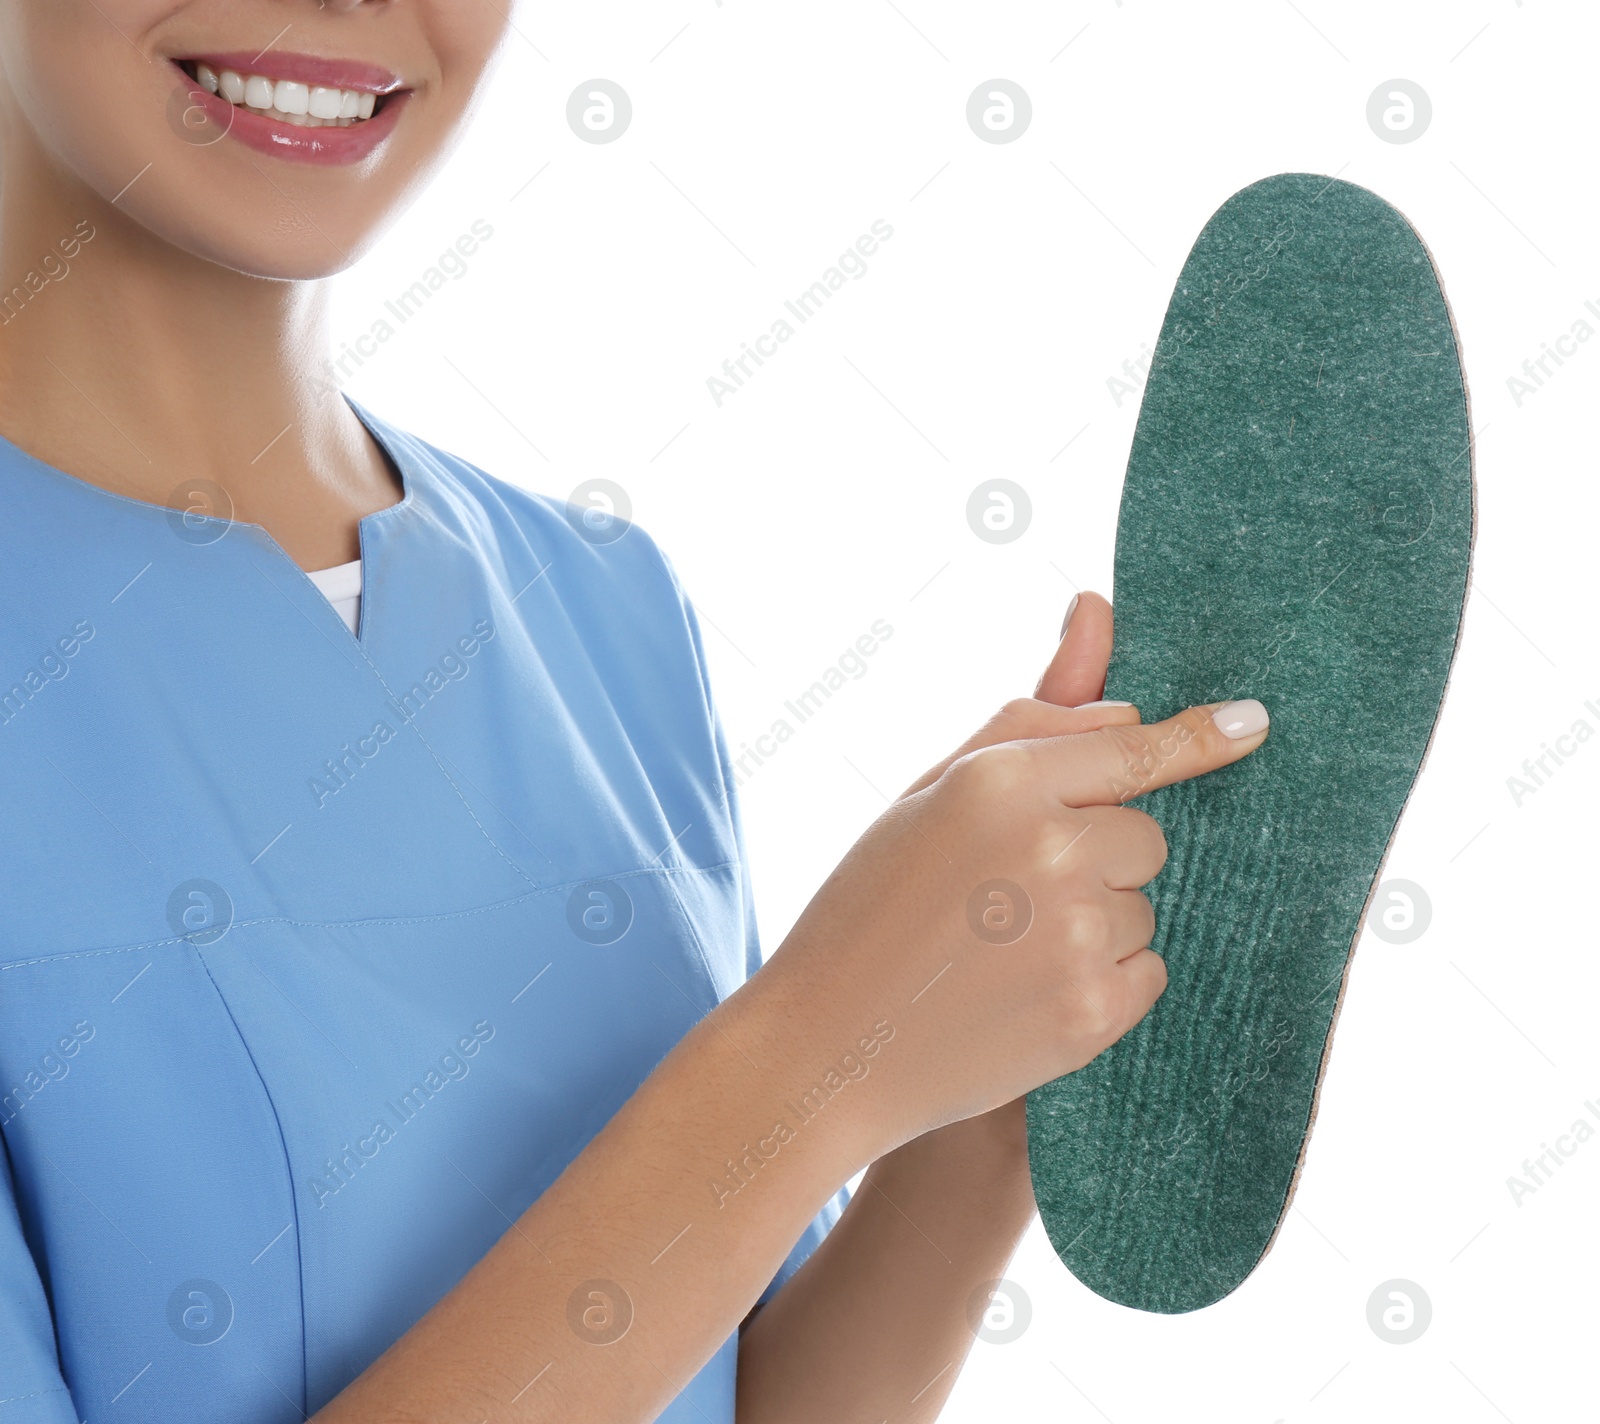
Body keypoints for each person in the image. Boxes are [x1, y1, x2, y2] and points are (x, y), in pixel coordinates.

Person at [0, 4, 1270, 1421]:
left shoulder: (602, 606)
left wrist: (985, 1079)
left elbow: (733, 1390)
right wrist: (807, 1060)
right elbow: (778, 1102)